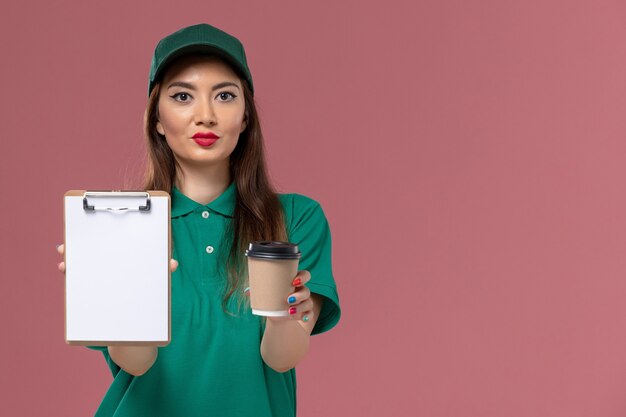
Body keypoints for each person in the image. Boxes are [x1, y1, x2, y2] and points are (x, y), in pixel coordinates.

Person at [56, 23, 341, 417]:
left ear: (245, 118)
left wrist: (282, 313)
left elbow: (282, 358)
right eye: (182, 96)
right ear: (157, 117)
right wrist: (109, 294)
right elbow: (136, 363)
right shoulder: (120, 225)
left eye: (225, 96)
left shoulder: (295, 218)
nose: (205, 116)